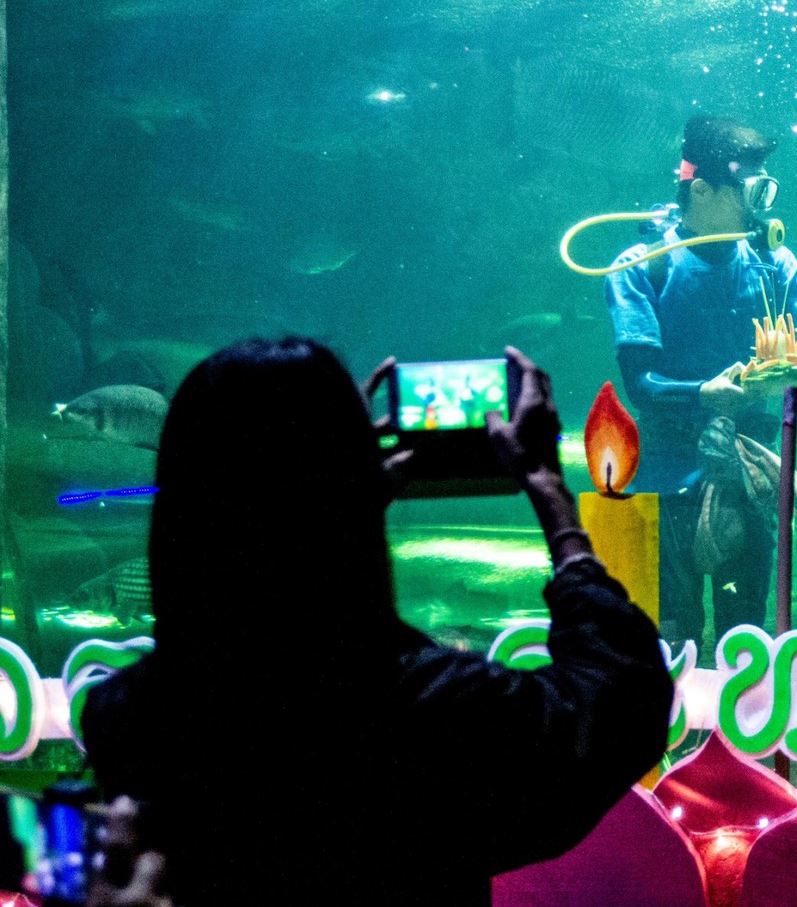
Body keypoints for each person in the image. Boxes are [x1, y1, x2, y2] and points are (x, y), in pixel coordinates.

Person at [80, 339, 673, 906]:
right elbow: (622, 700)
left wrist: (333, 507)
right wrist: (551, 497)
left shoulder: (126, 722)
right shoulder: (439, 712)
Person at [605, 115, 797, 648]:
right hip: (665, 476)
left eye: (767, 188)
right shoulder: (643, 265)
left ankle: (738, 731)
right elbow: (640, 383)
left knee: (743, 636)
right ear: (701, 188)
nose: (761, 204)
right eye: (752, 189)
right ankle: (673, 730)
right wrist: (704, 395)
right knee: (668, 636)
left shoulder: (772, 260)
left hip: (751, 476)